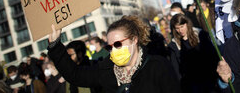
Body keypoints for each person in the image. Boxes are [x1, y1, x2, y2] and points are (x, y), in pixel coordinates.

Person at [48, 15, 181, 93]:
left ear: (134, 39)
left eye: (118, 44)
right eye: (109, 47)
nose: (114, 50)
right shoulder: (106, 70)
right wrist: (55, 45)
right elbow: (75, 75)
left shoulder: (157, 66)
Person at [168, 14, 219, 93]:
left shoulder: (200, 35)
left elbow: (212, 56)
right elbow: (177, 70)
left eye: (182, 26)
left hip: (209, 78)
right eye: (177, 28)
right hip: (192, 84)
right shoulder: (174, 45)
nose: (180, 30)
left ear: (187, 24)